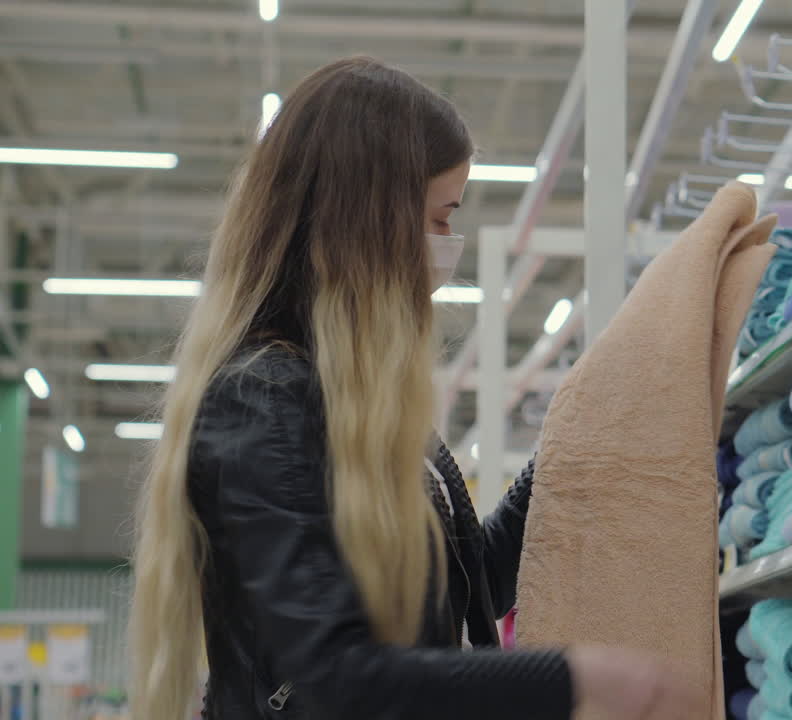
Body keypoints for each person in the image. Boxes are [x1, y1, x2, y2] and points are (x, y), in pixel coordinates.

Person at [126, 57, 700, 720]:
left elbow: (468, 585)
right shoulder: (263, 405)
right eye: (438, 218)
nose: (446, 245)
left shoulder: (352, 400)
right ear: (366, 222)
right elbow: (332, 676)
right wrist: (574, 677)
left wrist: (578, 445)